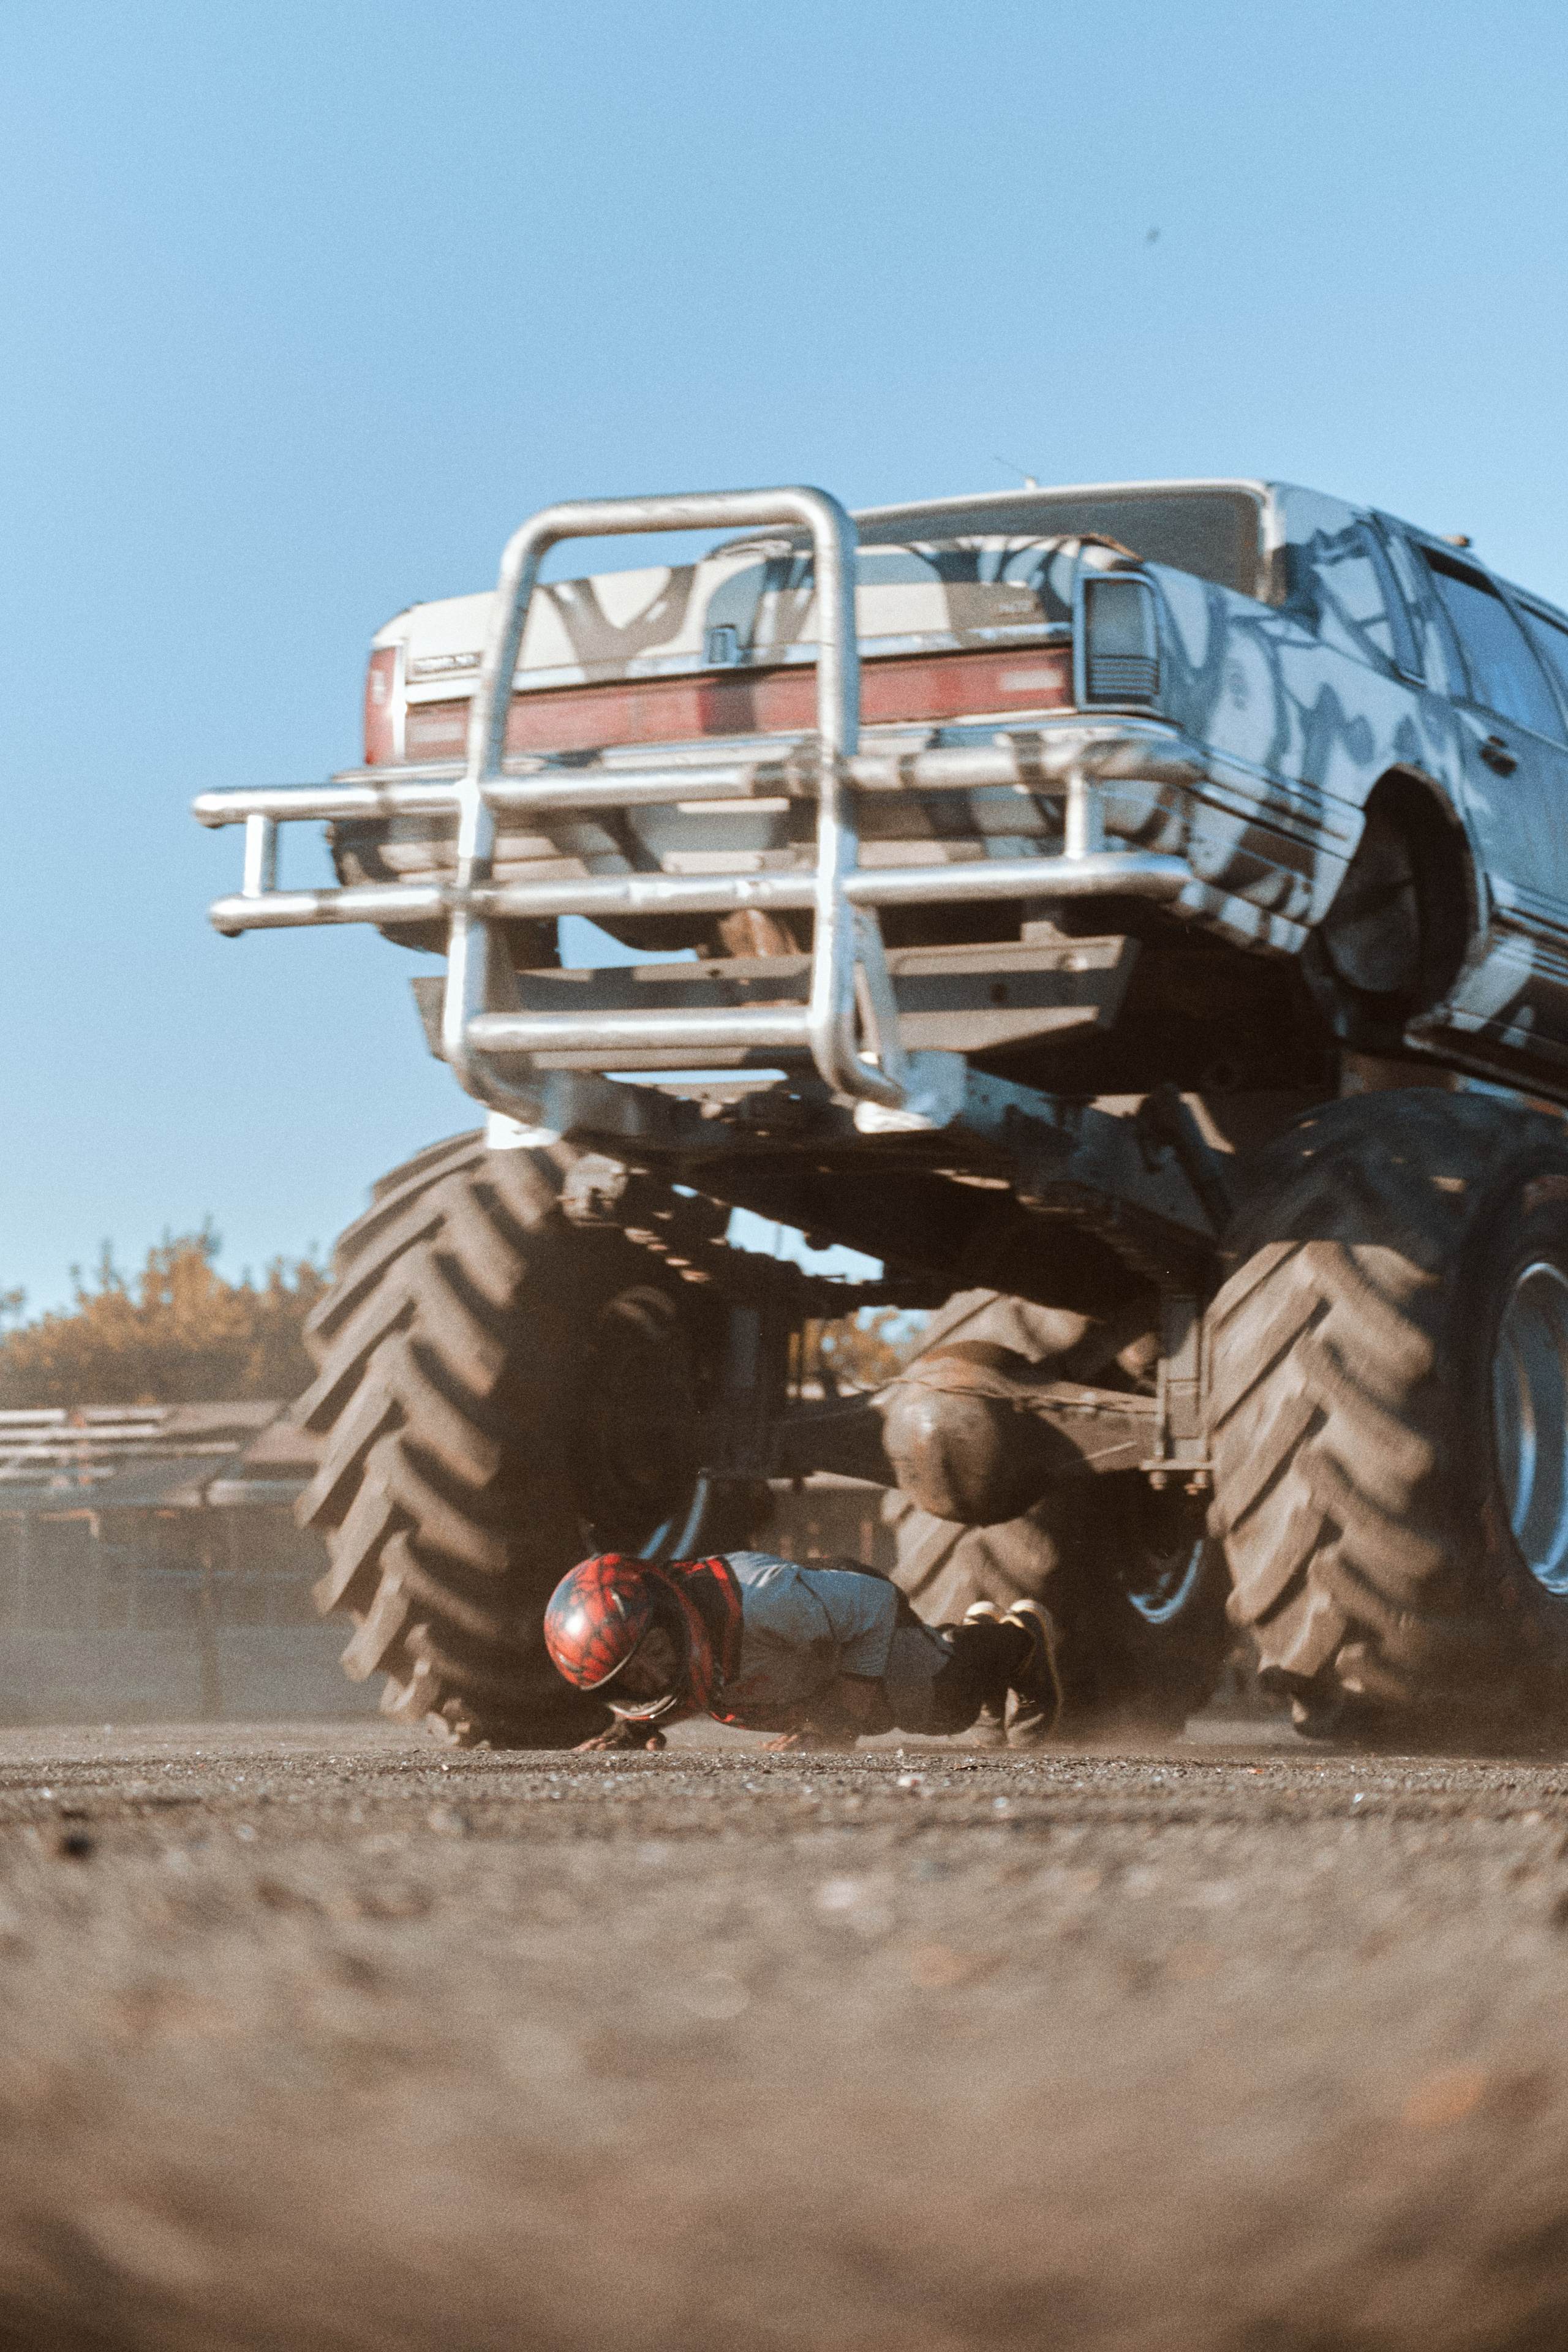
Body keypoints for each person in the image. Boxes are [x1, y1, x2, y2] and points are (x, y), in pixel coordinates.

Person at [543, 1548, 1059, 1751]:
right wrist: (632, 1730)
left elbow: (875, 1603)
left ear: (667, 1613)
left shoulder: (765, 1600)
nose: (658, 1674)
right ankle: (964, 1641)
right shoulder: (661, 1642)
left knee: (947, 1708)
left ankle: (1018, 1639)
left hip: (853, 1608)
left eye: (656, 1649)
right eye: (636, 1680)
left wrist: (840, 1722)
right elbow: (654, 1676)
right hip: (804, 1663)